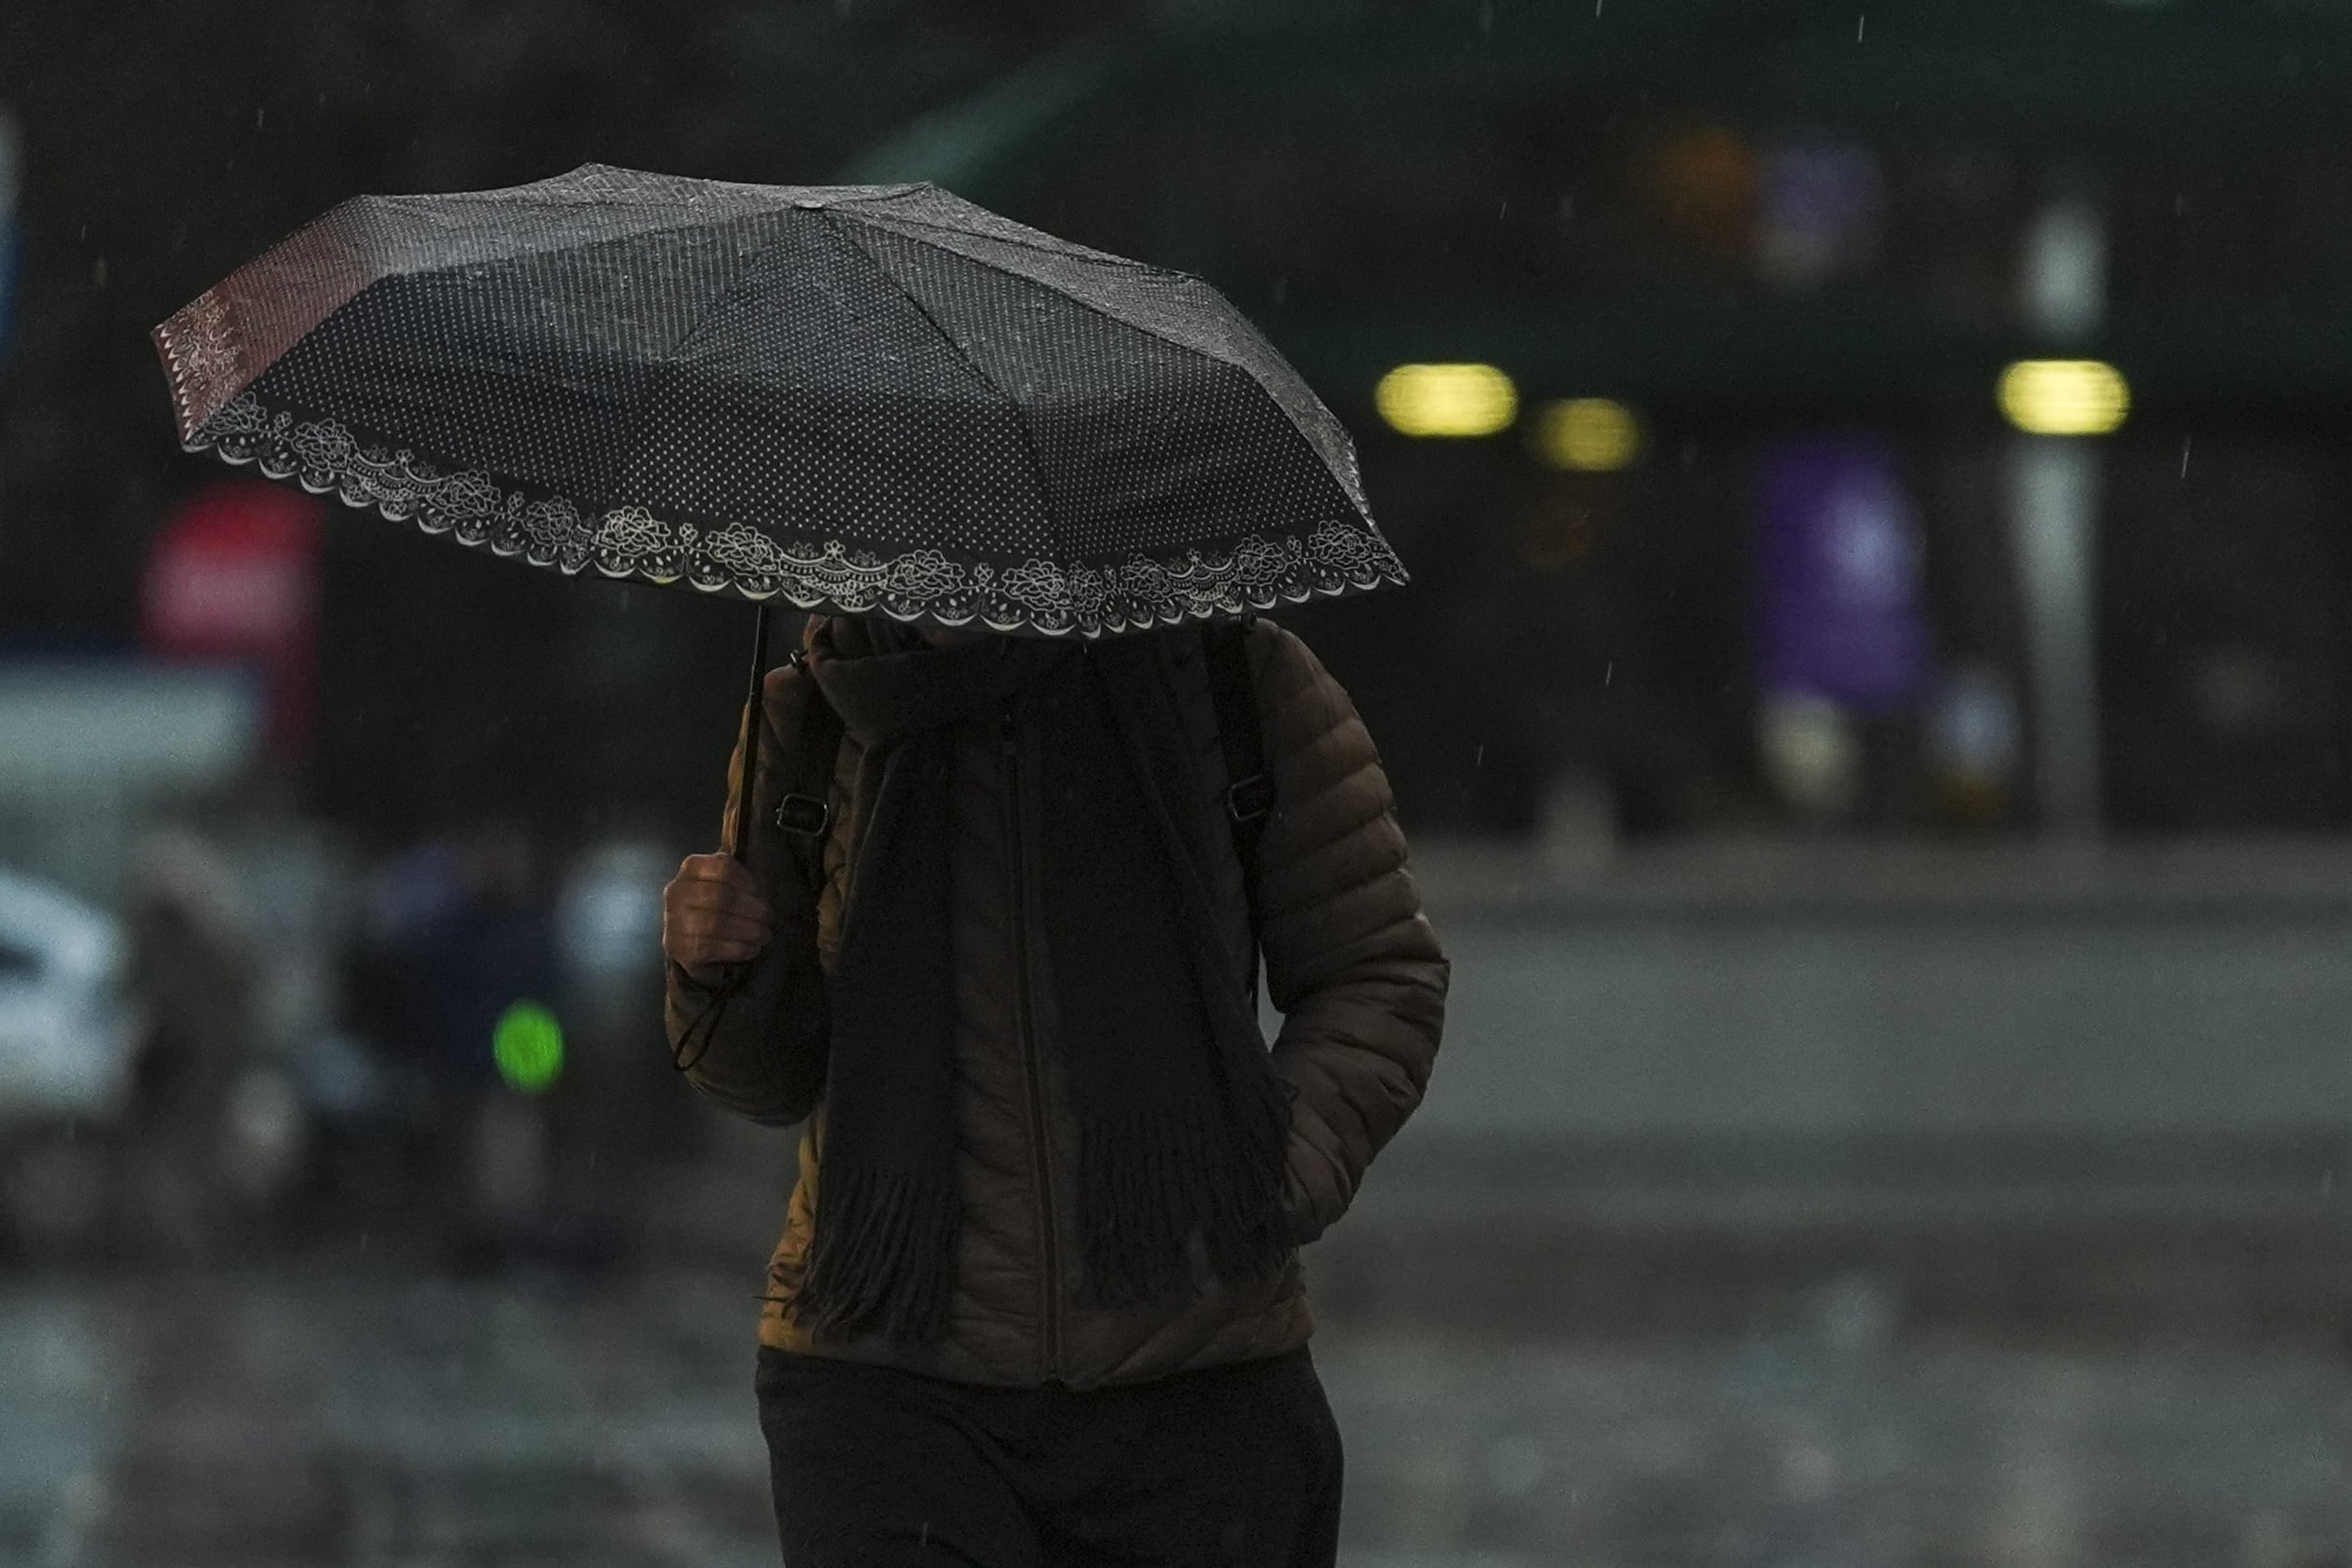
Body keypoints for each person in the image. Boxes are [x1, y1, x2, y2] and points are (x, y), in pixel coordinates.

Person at [661, 612, 1448, 1568]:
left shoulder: (1230, 672)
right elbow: (765, 1074)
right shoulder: (814, 712)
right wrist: (717, 970)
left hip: (1195, 1384)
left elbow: (1378, 970)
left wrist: (1264, 1173)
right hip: (881, 1388)